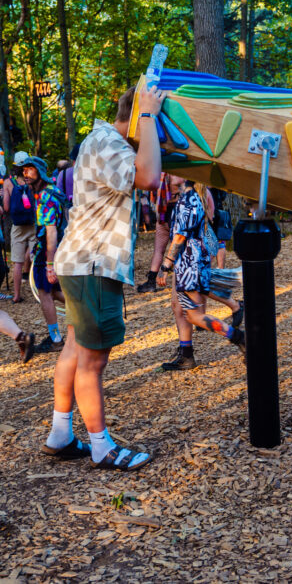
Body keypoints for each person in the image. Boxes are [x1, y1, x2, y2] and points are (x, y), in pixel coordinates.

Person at [44, 85, 165, 471]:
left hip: (82, 262)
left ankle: (60, 435)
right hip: (93, 265)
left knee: (75, 348)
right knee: (92, 362)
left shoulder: (102, 141)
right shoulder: (108, 142)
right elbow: (149, 177)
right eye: (152, 124)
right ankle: (101, 447)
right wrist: (149, 115)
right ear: (136, 115)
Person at [156, 180, 245, 360]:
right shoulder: (190, 197)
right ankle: (235, 333)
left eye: (173, 173)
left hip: (189, 265)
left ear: (184, 177)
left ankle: (239, 337)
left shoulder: (188, 200)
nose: (167, 176)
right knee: (191, 315)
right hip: (191, 264)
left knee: (195, 316)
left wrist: (165, 266)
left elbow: (180, 236)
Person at [21, 156, 66, 352]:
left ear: (40, 171)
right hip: (53, 248)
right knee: (54, 291)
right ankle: (91, 312)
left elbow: (51, 232)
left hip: (49, 250)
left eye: (30, 169)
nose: (25, 173)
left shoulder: (46, 196)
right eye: (23, 170)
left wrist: (49, 264)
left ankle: (56, 340)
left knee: (44, 293)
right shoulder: (48, 191)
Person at [2, 151, 35, 303]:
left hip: (17, 226)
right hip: (33, 224)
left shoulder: (8, 183)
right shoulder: (33, 180)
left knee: (17, 262)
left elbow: (6, 208)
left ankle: (16, 295)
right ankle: (41, 293)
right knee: (37, 260)